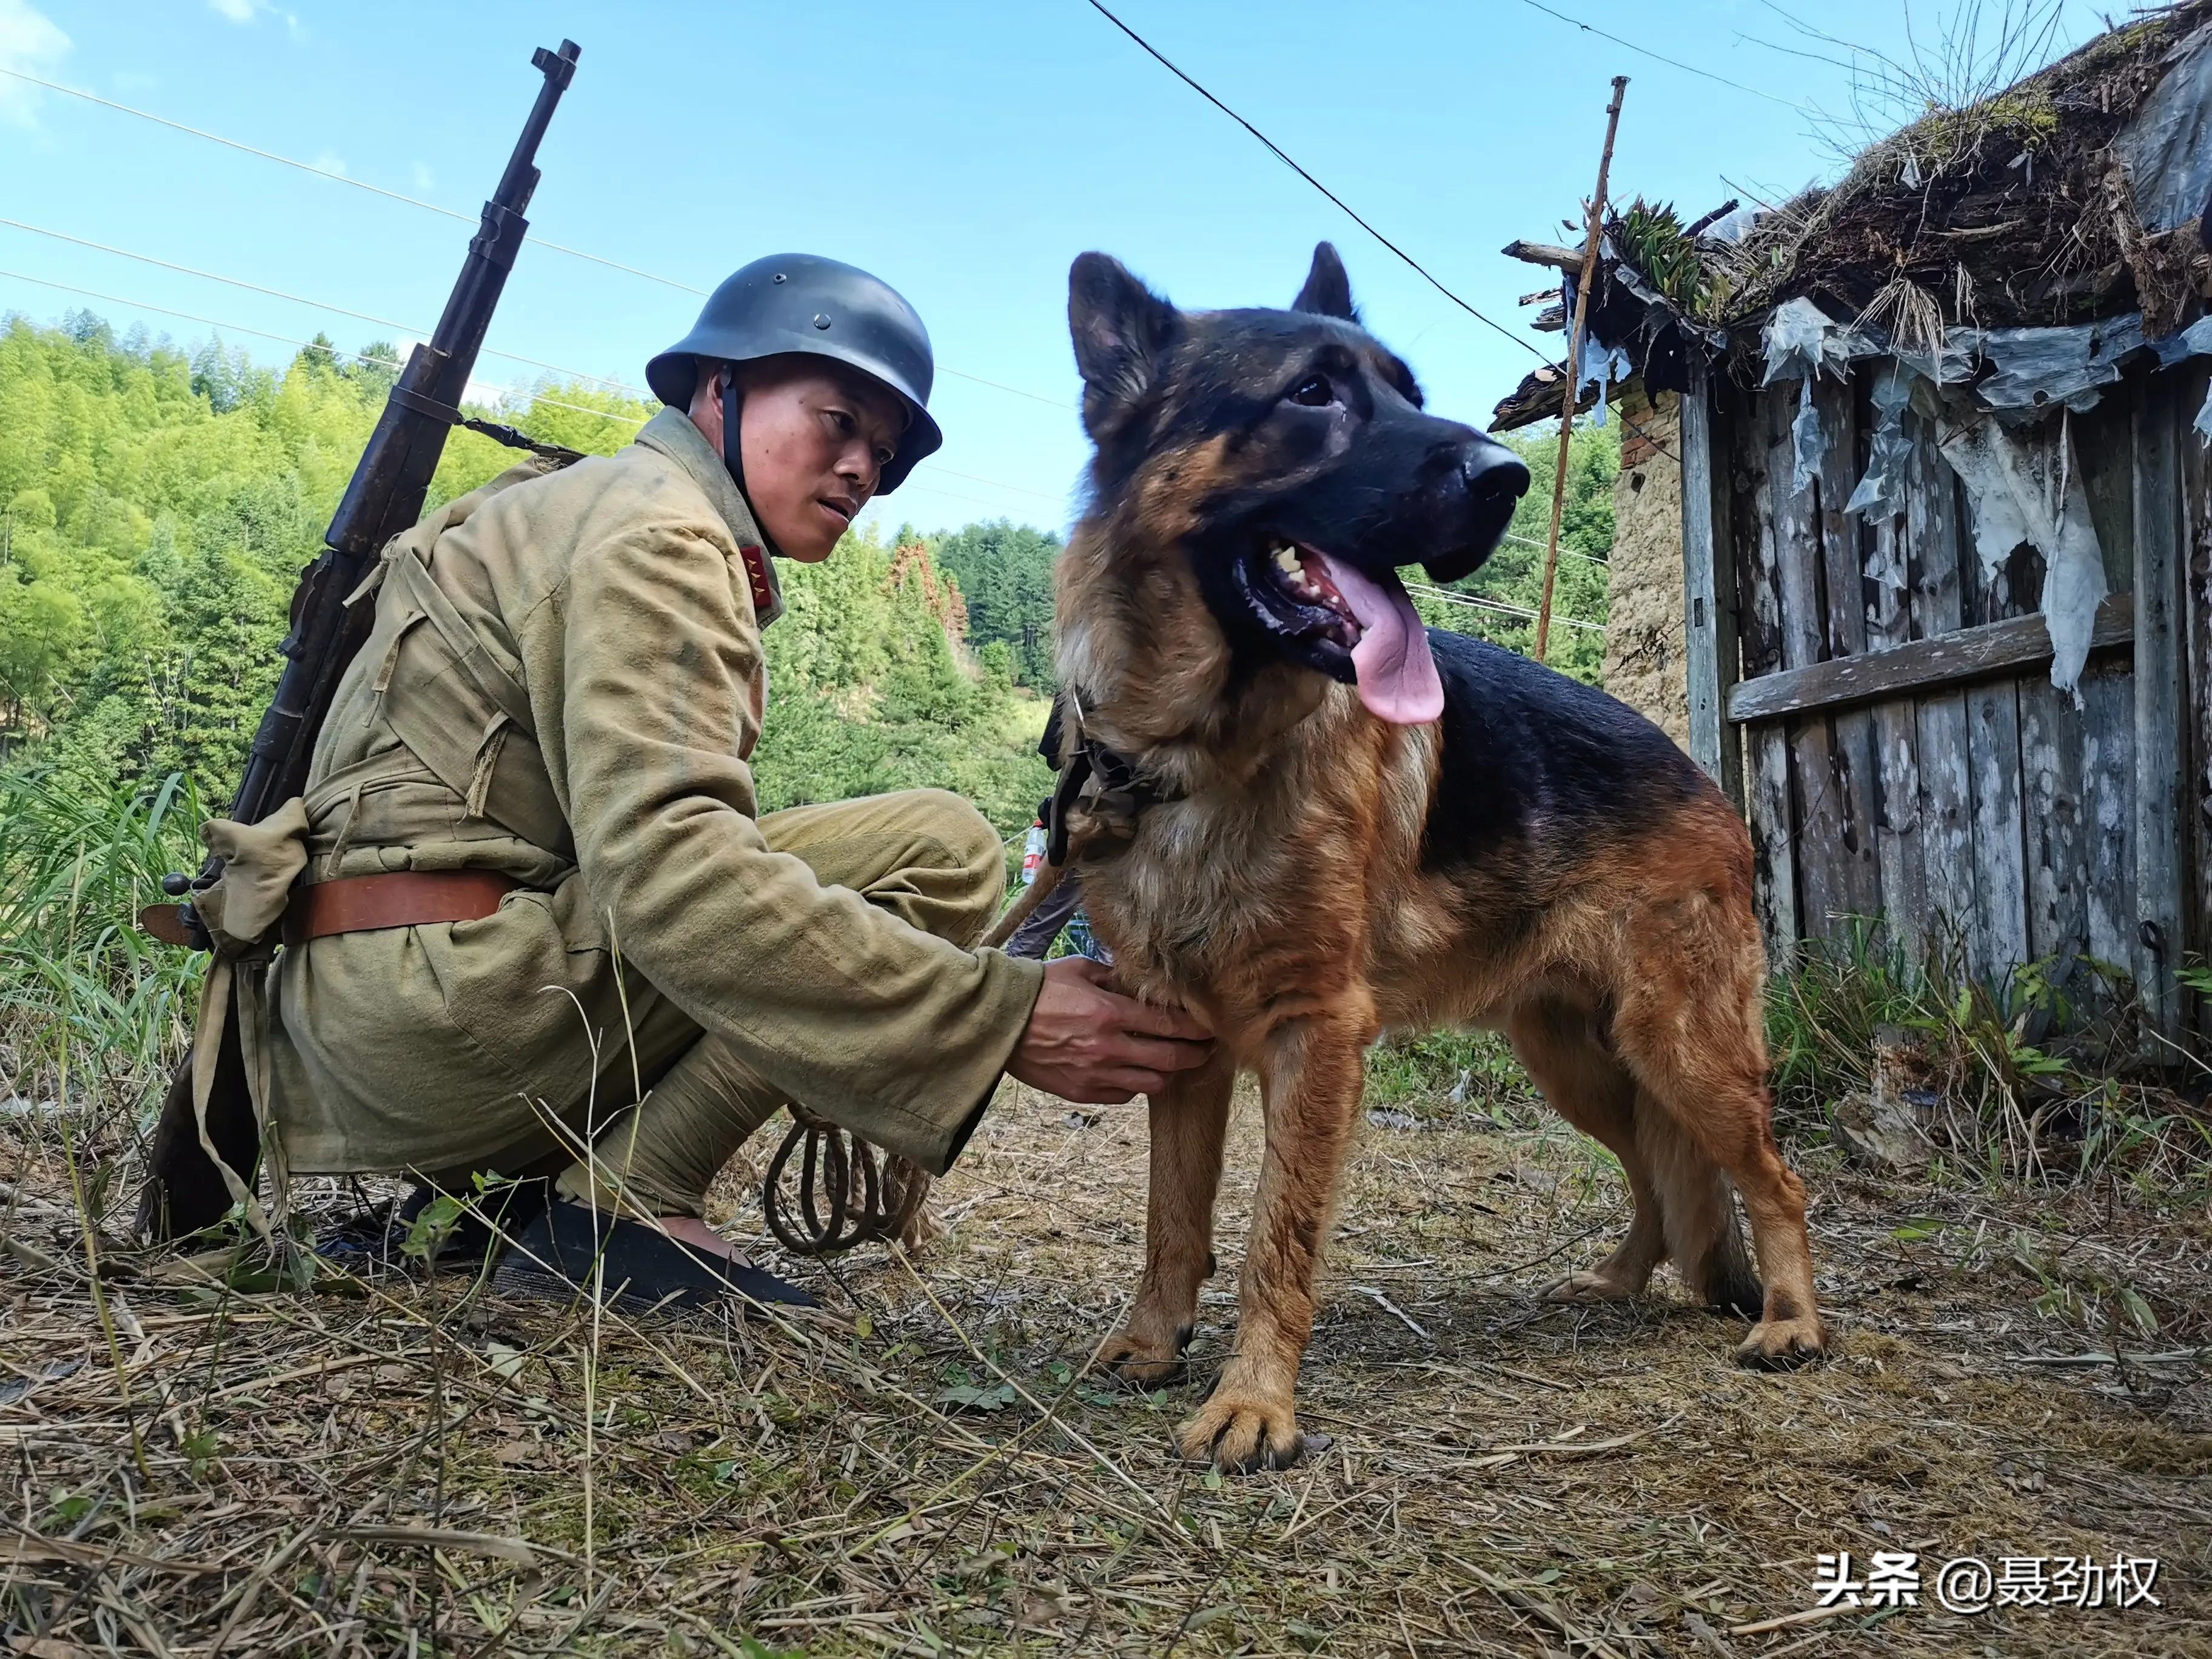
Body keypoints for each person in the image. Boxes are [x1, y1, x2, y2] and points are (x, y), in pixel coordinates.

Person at [253, 254, 1212, 1302]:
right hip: (436, 1018)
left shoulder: (584, 500)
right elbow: (673, 873)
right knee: (938, 848)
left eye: (884, 456)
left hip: (370, 1005)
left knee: (856, 858)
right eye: (838, 420)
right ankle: (620, 1204)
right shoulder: (661, 533)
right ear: (720, 388)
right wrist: (996, 1015)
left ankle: (524, 1198)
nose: (860, 470)